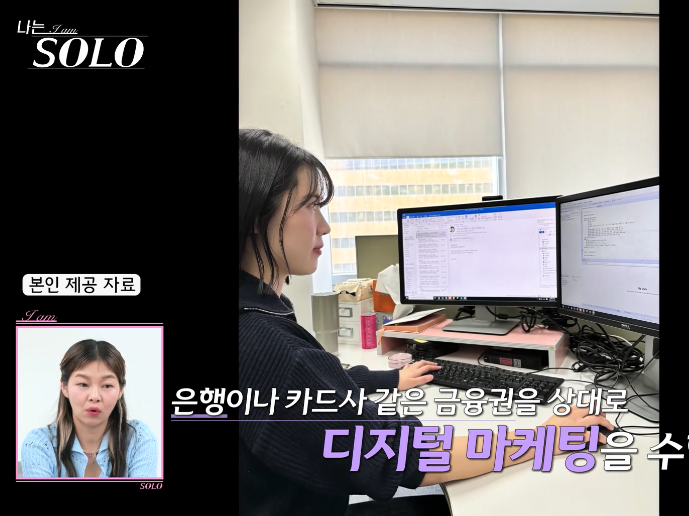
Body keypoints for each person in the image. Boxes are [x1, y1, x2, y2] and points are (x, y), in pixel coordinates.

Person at [238, 128, 615, 516]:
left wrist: (389, 379)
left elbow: (312, 390)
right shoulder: (267, 344)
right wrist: (545, 437)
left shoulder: (260, 311)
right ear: (256, 214)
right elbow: (403, 456)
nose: (324, 226)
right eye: (310, 205)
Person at [19, 339, 158, 477]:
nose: (94, 396)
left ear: (120, 390)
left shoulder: (139, 439)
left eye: (107, 385)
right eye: (83, 384)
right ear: (64, 387)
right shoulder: (39, 444)